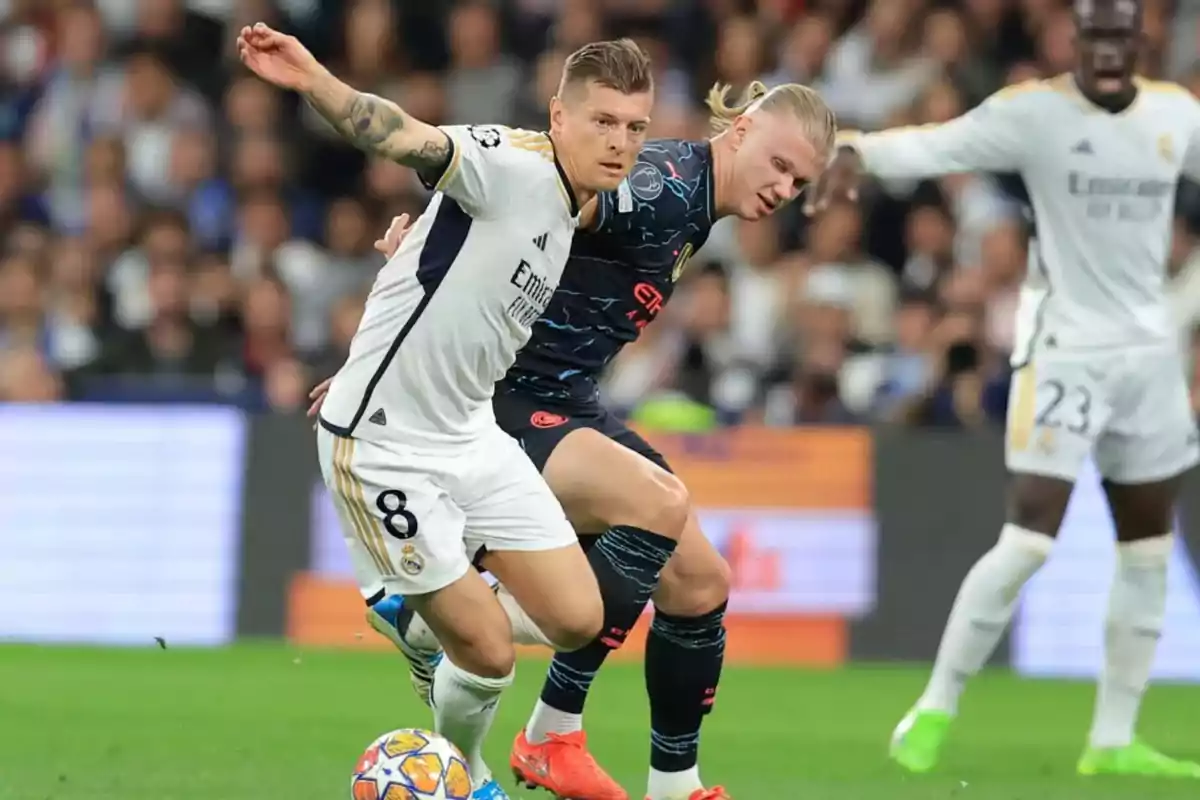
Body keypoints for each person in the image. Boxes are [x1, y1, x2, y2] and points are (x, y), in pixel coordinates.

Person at [314, 79, 836, 800]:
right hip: (505, 402)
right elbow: (534, 190)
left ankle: (673, 785)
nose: (784, 188)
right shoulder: (659, 188)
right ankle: (548, 730)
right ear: (743, 129)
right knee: (655, 503)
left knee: (700, 582)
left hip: (566, 400)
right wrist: (409, 288)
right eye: (780, 165)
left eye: (800, 182)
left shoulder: (692, 209)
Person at [236, 22, 655, 800]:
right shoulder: (511, 165)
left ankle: (419, 615)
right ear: (558, 117)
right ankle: (467, 776)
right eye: (603, 121)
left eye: (635, 127)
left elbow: (456, 285)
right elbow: (405, 138)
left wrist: (402, 278)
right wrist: (311, 79)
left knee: (577, 617)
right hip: (385, 445)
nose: (620, 142)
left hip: (469, 433)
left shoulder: (573, 206)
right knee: (490, 653)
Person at [811, 0, 1200, 779]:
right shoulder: (1036, 115)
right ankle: (934, 708)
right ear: (1074, 40)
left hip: (1150, 358)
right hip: (1064, 353)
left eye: (1124, 36)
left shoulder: (1176, 114)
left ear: (1142, 41)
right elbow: (935, 144)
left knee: (1150, 551)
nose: (1110, 51)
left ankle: (1113, 739)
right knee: (1028, 539)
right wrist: (852, 148)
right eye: (1096, 36)